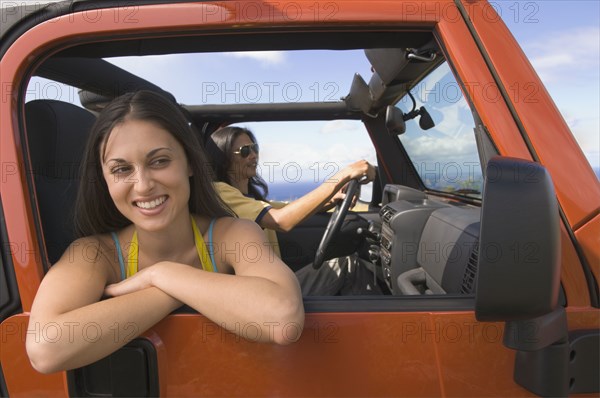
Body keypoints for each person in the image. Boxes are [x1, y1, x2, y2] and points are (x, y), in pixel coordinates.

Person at [26, 91, 304, 374]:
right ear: (105, 180)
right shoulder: (95, 253)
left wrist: (161, 274)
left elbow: (282, 318)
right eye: (121, 169)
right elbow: (45, 349)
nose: (143, 185)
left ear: (191, 163)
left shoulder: (232, 235)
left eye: (159, 161)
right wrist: (171, 290)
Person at [205, 126, 377, 296]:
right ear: (224, 159)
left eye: (254, 148)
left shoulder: (249, 199)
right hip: (262, 297)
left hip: (272, 287)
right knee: (349, 265)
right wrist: (345, 174)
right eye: (244, 151)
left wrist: (333, 198)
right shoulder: (220, 192)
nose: (254, 155)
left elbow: (289, 210)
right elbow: (281, 220)